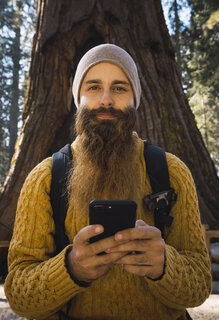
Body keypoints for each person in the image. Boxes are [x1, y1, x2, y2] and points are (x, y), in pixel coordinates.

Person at [4, 44, 211, 320]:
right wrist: (71, 269)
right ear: (78, 98)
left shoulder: (172, 172)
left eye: (119, 88)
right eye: (93, 87)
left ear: (134, 99)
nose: (106, 100)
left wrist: (164, 266)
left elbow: (199, 287)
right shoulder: (44, 178)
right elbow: (19, 295)